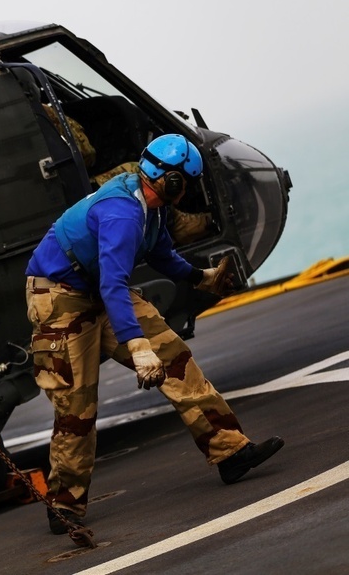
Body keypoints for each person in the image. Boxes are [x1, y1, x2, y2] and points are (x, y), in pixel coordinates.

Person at [24, 133, 284, 535]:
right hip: (60, 295)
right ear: (174, 182)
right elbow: (114, 284)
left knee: (175, 360)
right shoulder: (124, 213)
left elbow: (162, 255)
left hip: (97, 285)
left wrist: (202, 278)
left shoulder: (152, 208)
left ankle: (230, 451)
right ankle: (65, 506)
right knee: (77, 407)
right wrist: (139, 347)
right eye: (186, 184)